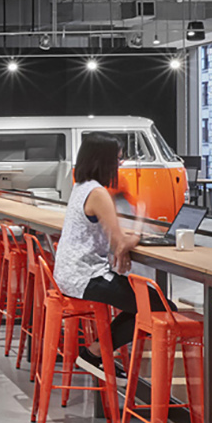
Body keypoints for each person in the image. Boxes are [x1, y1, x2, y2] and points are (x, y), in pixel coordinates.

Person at [53, 133, 167, 377]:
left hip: (69, 274)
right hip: (85, 277)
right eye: (117, 159)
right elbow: (120, 242)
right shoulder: (98, 193)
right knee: (158, 306)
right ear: (103, 161)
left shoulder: (82, 187)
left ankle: (98, 353)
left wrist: (122, 242)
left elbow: (112, 236)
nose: (120, 165)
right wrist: (139, 228)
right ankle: (93, 354)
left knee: (146, 301)